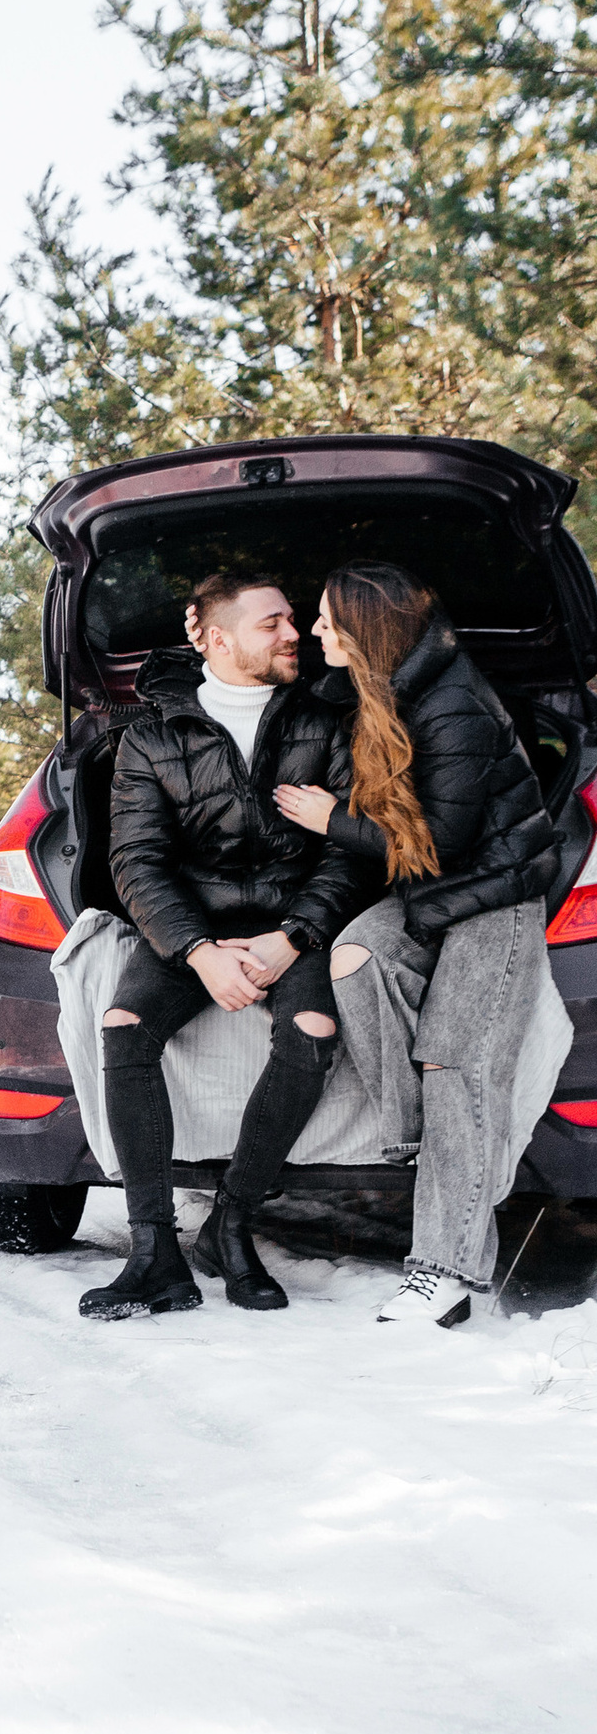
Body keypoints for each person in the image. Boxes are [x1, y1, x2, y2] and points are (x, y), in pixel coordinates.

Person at [79, 572, 373, 1322]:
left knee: (311, 1028)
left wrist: (292, 938)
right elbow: (136, 862)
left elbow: (349, 853)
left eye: (294, 619)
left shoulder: (325, 722)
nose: (294, 634)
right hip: (191, 927)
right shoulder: (149, 735)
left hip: (294, 923)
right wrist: (200, 953)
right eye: (272, 622)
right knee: (123, 1028)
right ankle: (155, 1257)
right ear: (213, 638)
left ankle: (231, 1226)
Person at [273, 561, 559, 1325]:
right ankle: (416, 1140)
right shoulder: (377, 690)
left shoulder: (454, 703)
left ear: (368, 631)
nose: (313, 631)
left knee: (452, 1063)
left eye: (328, 620)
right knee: (355, 957)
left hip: (492, 893)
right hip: (428, 898)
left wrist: (330, 818)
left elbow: (442, 841)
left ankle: (445, 1275)